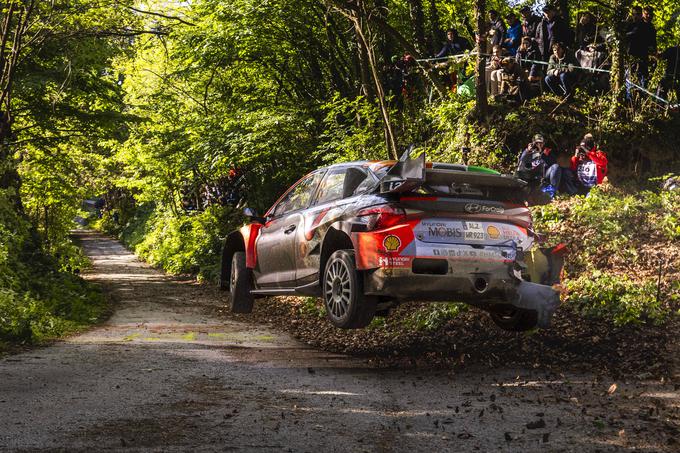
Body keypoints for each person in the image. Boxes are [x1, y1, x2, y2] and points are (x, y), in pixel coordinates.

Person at [516, 133, 561, 198]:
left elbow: (554, 164)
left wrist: (543, 155)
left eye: (541, 143)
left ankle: (551, 192)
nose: (539, 145)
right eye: (537, 143)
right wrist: (527, 151)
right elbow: (522, 161)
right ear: (534, 143)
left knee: (556, 166)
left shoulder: (546, 151)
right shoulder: (529, 152)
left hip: (544, 174)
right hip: (532, 176)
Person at [626, 6, 654, 88]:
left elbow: (652, 43)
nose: (635, 16)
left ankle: (640, 96)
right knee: (631, 78)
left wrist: (653, 51)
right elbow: (626, 37)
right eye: (634, 14)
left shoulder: (649, 27)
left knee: (643, 79)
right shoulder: (631, 25)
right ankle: (630, 98)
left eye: (637, 14)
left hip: (643, 56)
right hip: (631, 55)